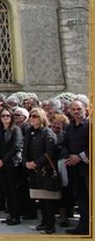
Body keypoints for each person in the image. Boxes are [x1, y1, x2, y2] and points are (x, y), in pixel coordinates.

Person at [24, 107, 60, 234]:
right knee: (40, 198)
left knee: (48, 199)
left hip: (45, 170)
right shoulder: (29, 132)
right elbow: (25, 150)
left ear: (42, 118)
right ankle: (44, 221)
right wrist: (26, 162)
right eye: (31, 116)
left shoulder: (47, 132)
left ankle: (50, 225)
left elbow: (50, 152)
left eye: (35, 116)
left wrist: (36, 163)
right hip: (33, 170)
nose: (32, 118)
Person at [0, 108, 24, 225]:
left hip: (11, 164)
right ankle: (10, 214)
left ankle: (16, 216)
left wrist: (3, 160)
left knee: (13, 191)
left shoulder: (16, 129)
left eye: (8, 116)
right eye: (3, 116)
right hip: (0, 165)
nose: (5, 118)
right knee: (6, 190)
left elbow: (16, 146)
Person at [64, 100, 89, 235]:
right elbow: (64, 144)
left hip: (88, 168)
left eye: (79, 109)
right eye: (73, 109)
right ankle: (83, 226)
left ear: (85, 109)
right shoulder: (70, 127)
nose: (76, 112)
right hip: (75, 169)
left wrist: (80, 157)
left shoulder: (90, 125)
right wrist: (68, 155)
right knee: (81, 198)